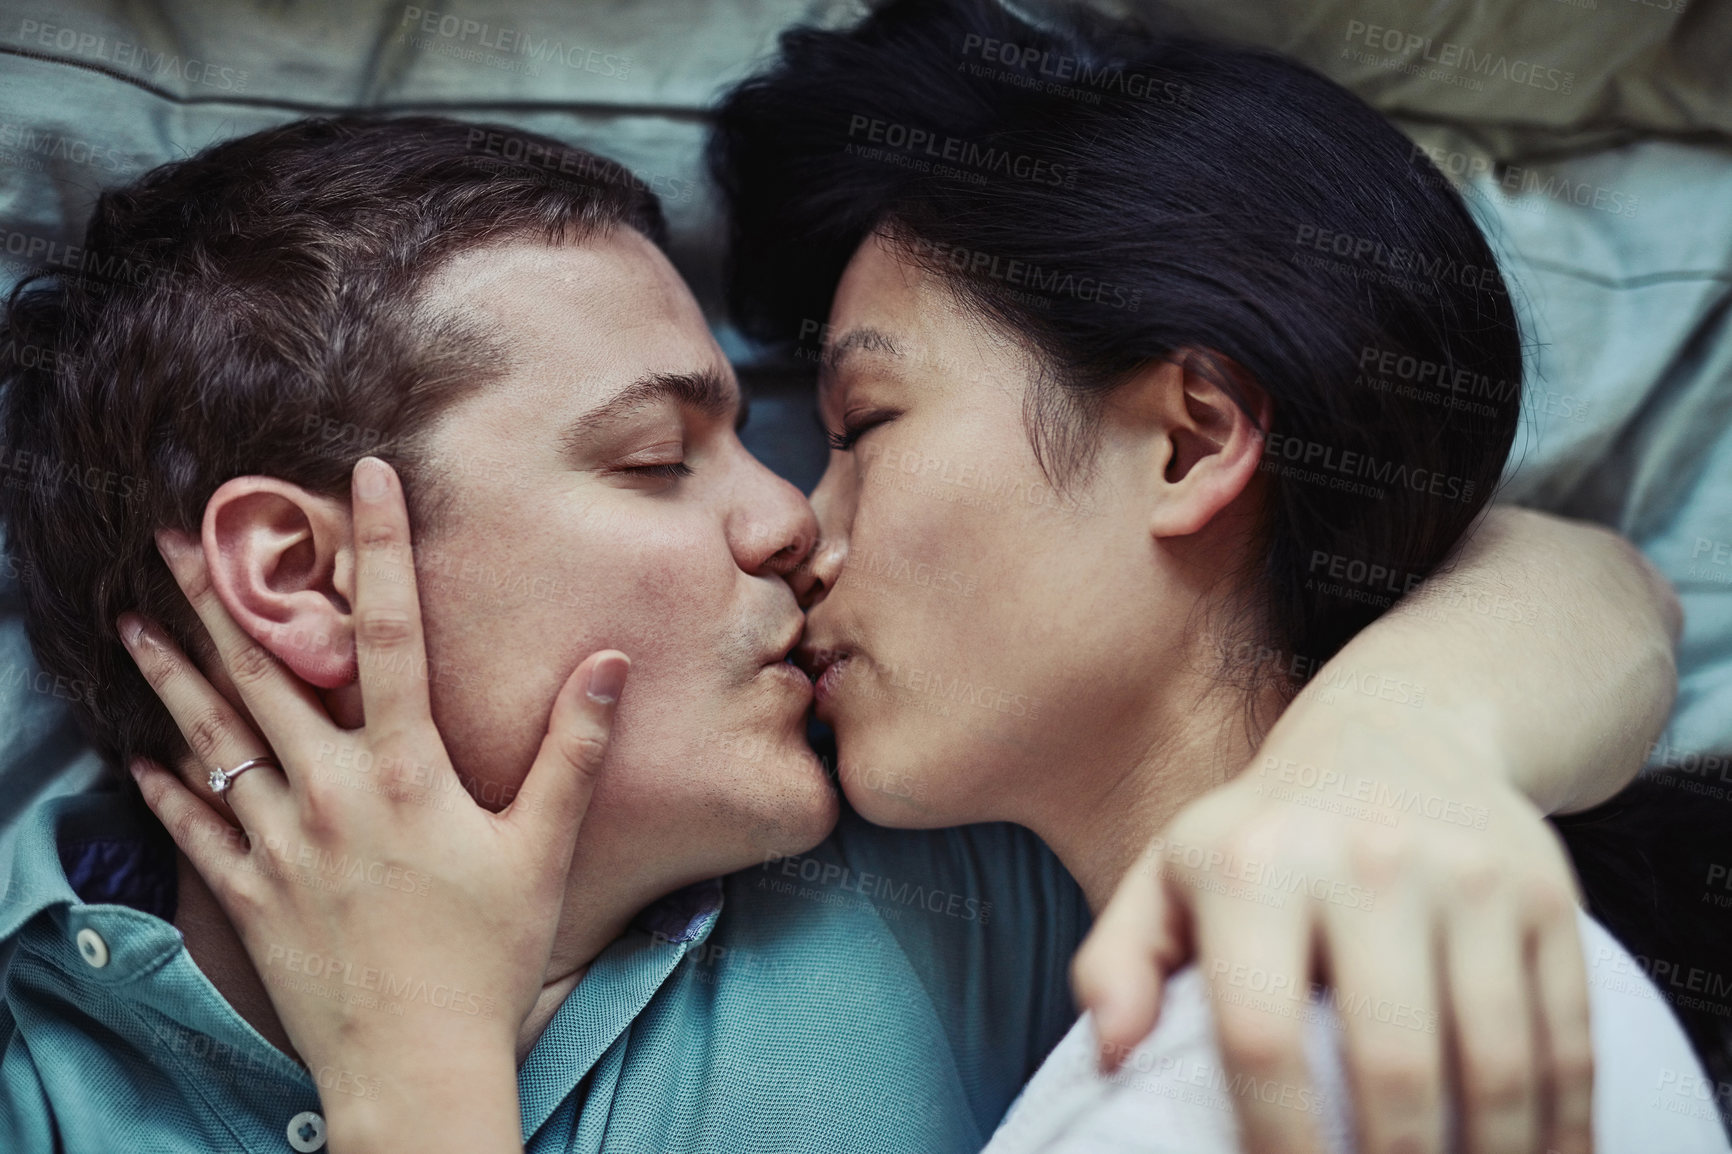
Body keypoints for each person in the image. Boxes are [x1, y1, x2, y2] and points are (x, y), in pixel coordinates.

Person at [0, 91, 1684, 1154]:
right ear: (298, 576)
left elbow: (1537, 568)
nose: (790, 518)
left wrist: (1398, 753)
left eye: (817, 427)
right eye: (659, 457)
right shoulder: (41, 1085)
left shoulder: (932, 848)